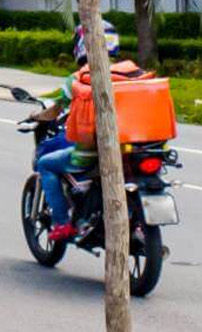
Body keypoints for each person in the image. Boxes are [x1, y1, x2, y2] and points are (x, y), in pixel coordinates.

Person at [26, 23, 145, 243]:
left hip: (93, 152)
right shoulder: (132, 73)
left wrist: (35, 116)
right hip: (137, 149)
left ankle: (62, 223)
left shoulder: (79, 78)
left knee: (46, 164)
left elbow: (55, 109)